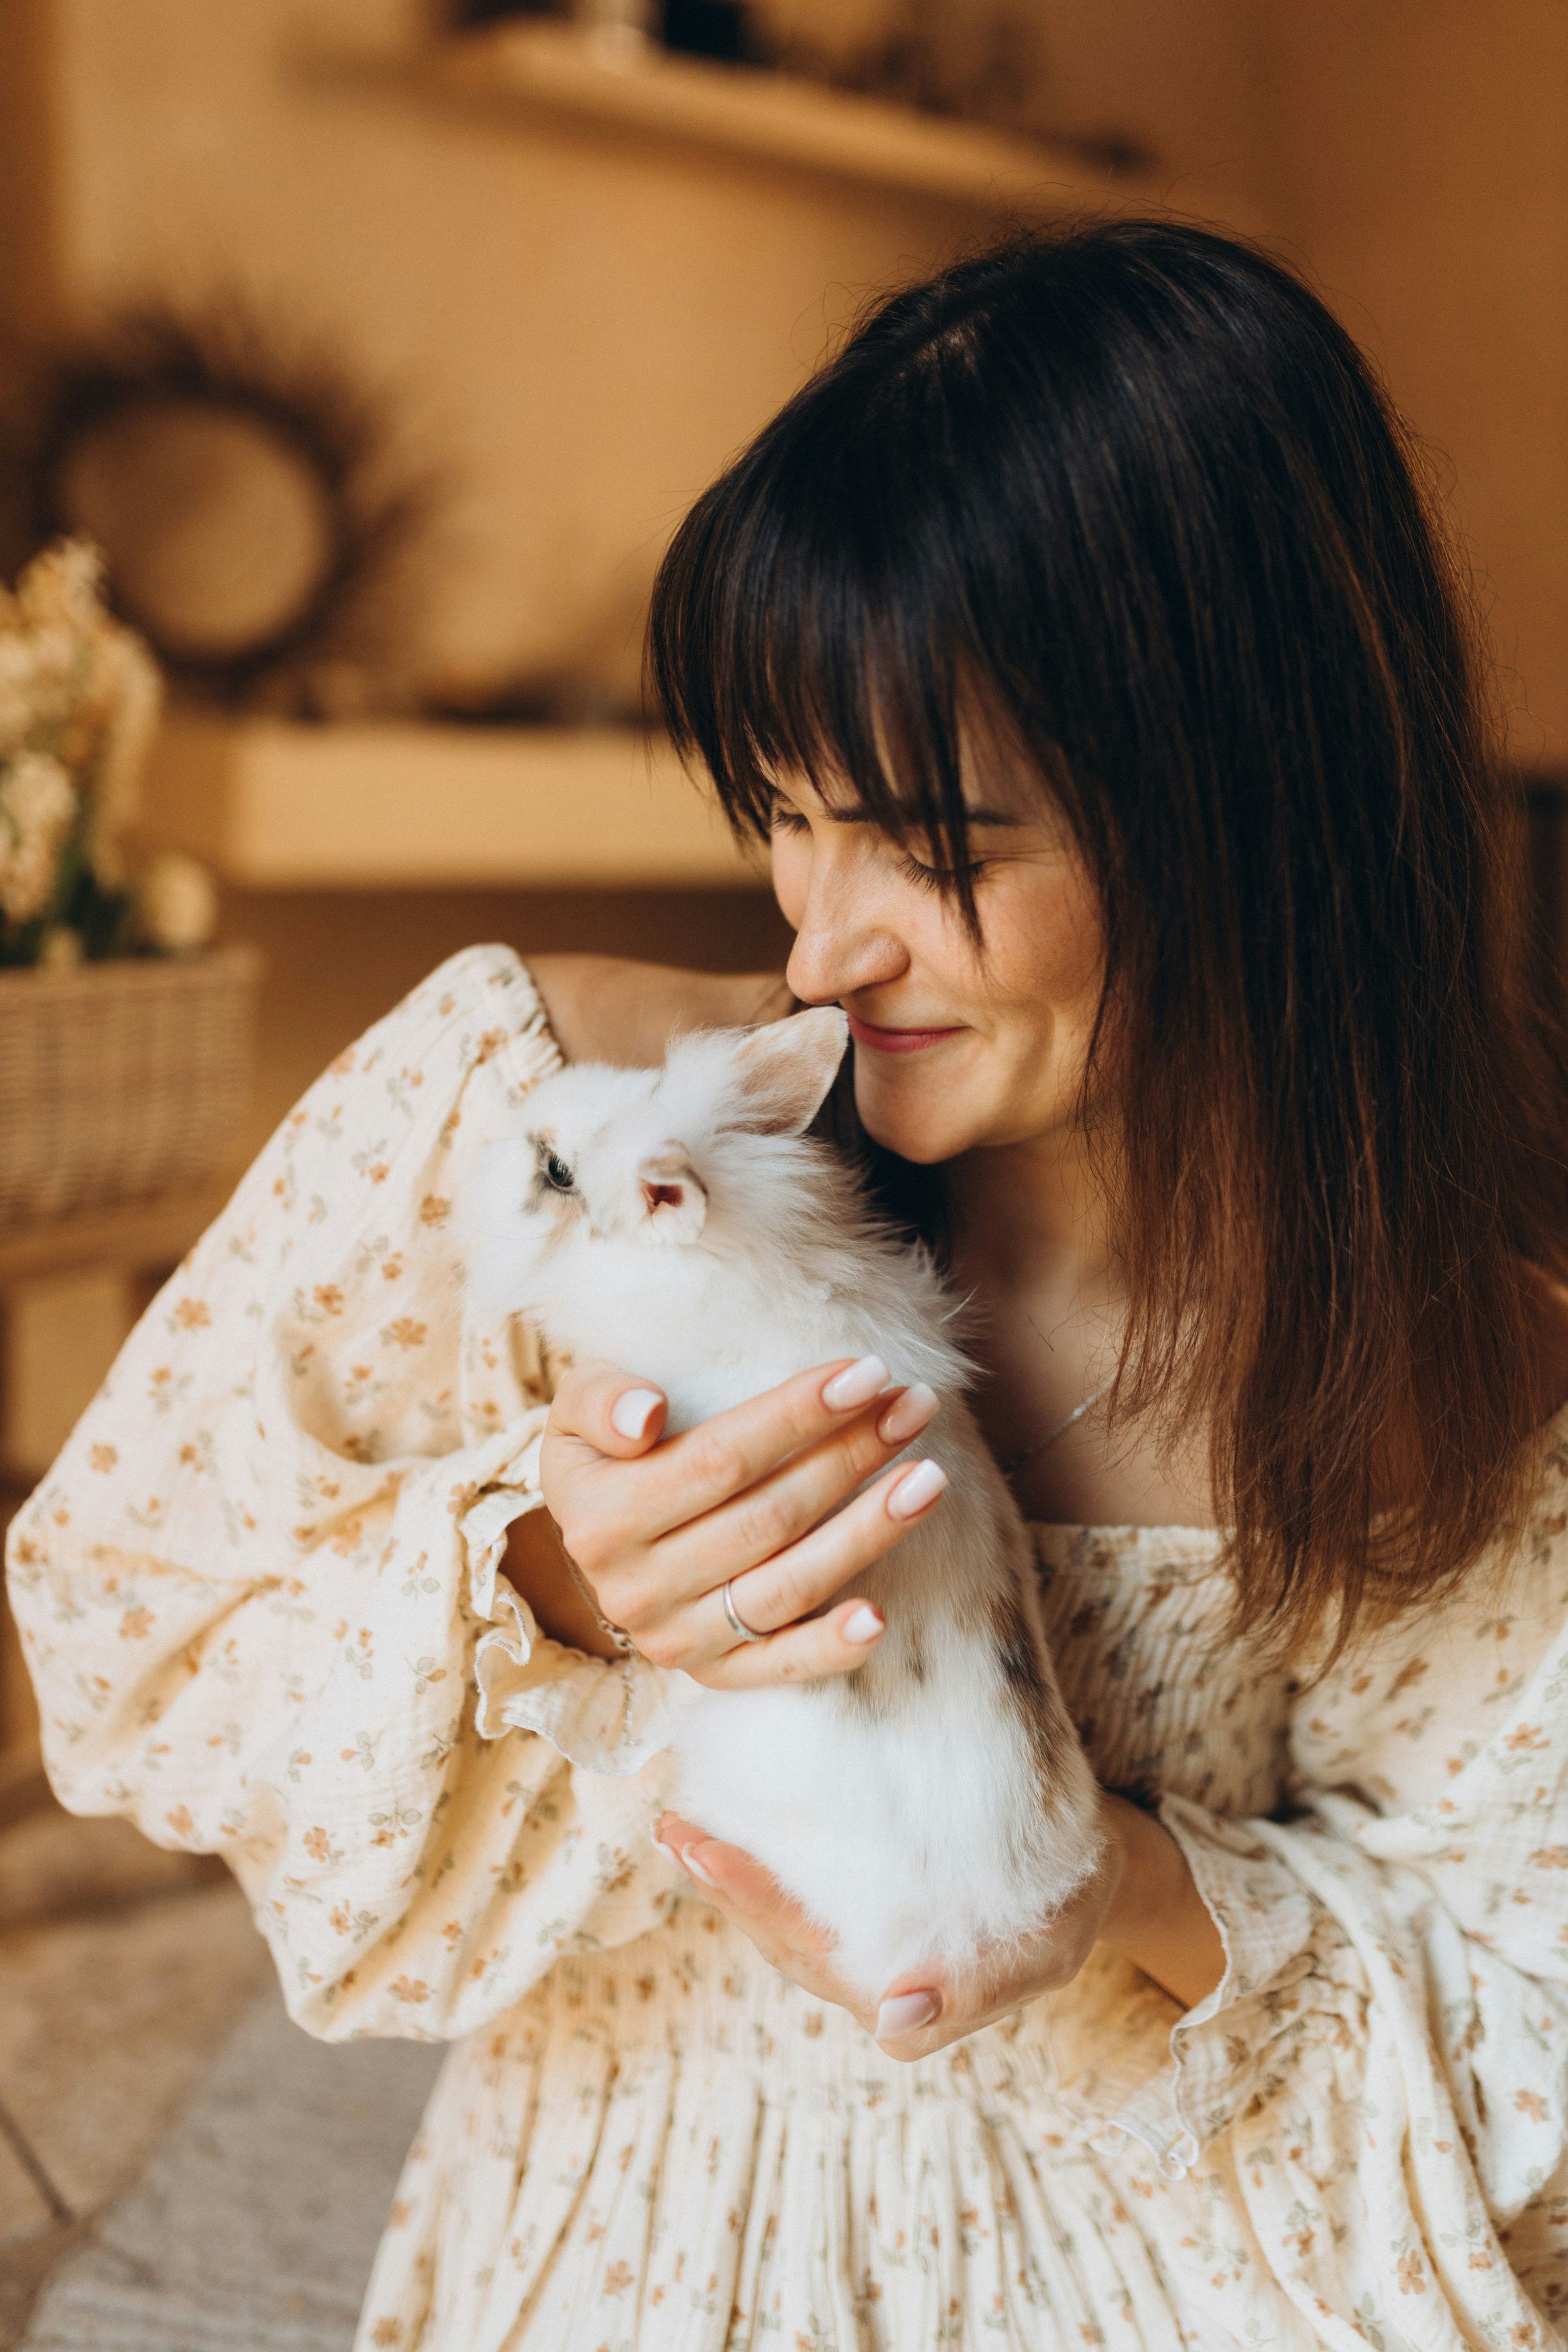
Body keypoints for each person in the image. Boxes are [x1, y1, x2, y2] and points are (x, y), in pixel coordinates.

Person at [10, 220, 1568, 2351]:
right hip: (630, 2248)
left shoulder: (1447, 1371)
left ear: (1243, 810)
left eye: (933, 843)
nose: (825, 944)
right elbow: (118, 1623)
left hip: (1161, 2263)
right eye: (781, 813)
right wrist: (548, 1578)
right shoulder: (538, 1106)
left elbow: (1517, 2026)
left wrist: (1111, 1882)